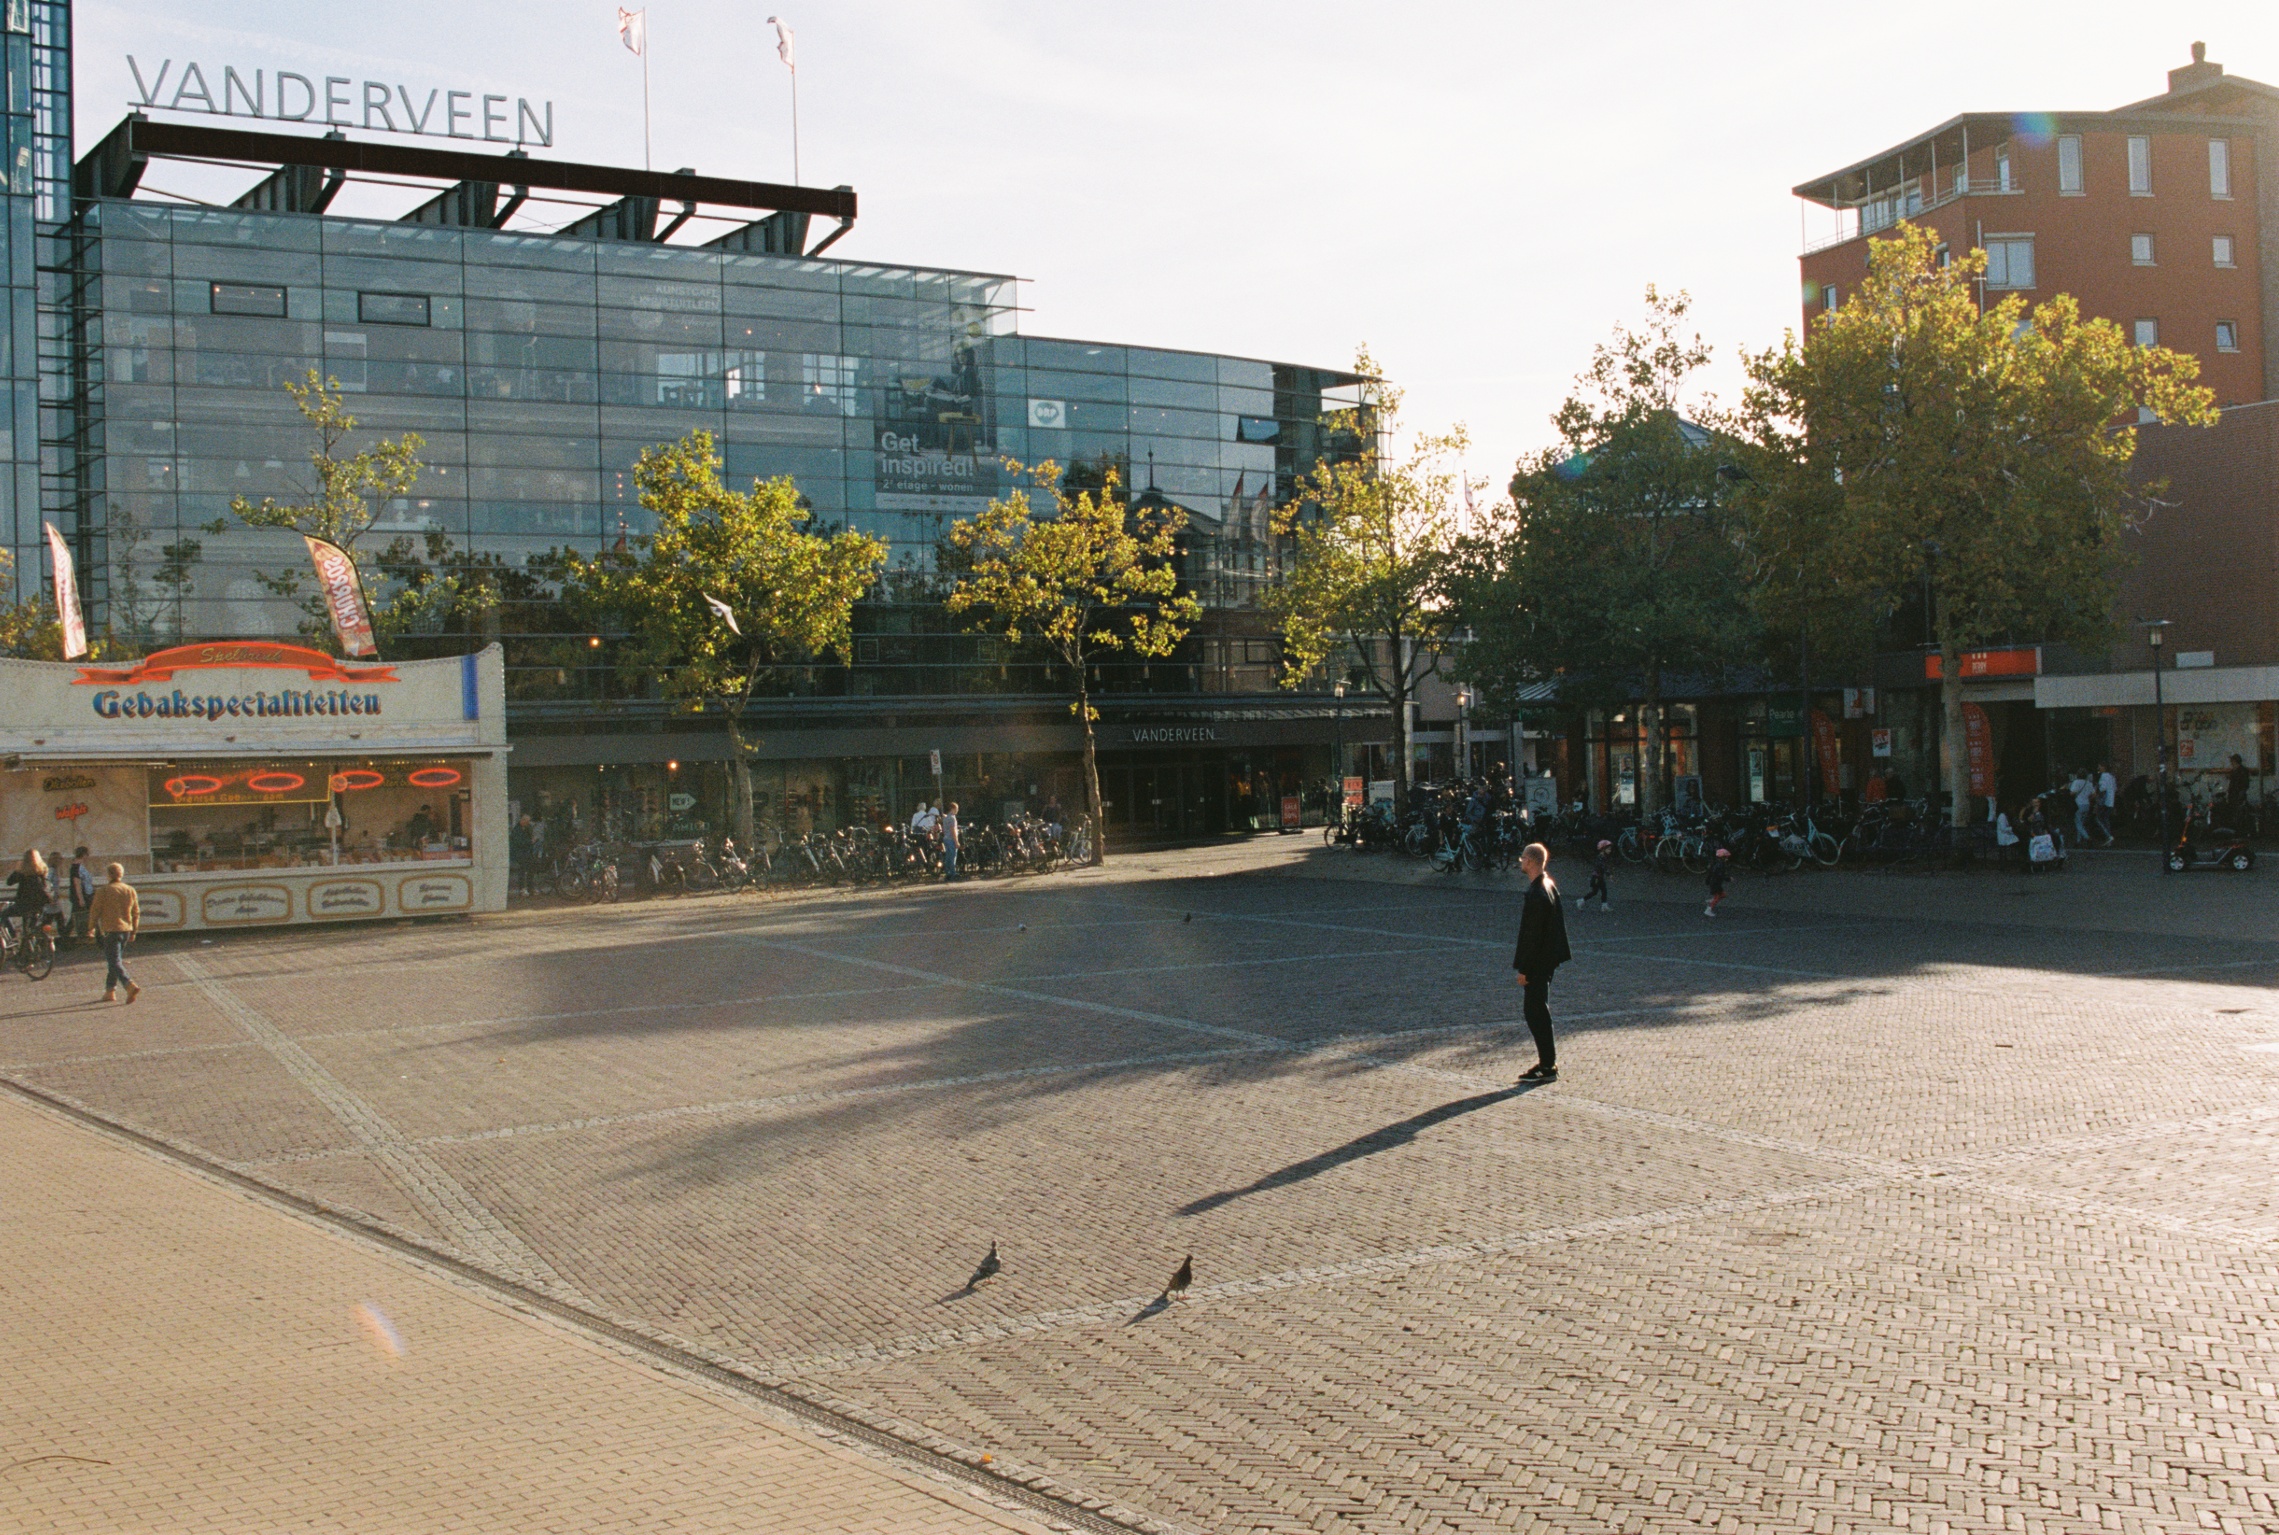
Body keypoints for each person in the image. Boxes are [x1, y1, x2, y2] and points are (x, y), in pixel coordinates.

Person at [1511, 842, 1570, 1084]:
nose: (1521, 861)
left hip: (1538, 961)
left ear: (1532, 861)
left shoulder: (1537, 893)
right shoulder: (1548, 886)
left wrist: (1524, 969)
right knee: (1537, 1010)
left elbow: (1532, 935)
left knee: (1535, 1011)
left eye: (1523, 858)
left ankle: (1547, 1064)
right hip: (1547, 958)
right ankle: (1547, 1061)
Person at [88, 861, 139, 1004]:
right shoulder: (130, 890)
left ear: (109, 875)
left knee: (114, 961)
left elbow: (95, 910)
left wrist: (91, 927)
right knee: (114, 961)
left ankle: (129, 984)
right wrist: (134, 930)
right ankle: (110, 991)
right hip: (126, 930)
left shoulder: (103, 891)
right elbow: (136, 912)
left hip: (111, 930)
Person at [4, 850, 49, 944]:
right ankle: (33, 950)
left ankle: (13, 935)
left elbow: (9, 882)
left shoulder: (23, 872)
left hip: (23, 905)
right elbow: (45, 886)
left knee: (3, 915)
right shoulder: (42, 870)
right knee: (30, 929)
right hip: (38, 905)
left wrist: (17, 869)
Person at [65, 845, 96, 947]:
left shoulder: (78, 866)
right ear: (84, 855)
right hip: (83, 896)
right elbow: (77, 883)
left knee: (78, 917)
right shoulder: (76, 867)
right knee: (77, 917)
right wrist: (80, 898)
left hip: (86, 894)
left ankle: (66, 938)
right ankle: (66, 938)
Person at [1583, 839, 1613, 912]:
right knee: (1598, 891)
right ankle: (1581, 901)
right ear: (1603, 849)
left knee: (1600, 891)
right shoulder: (1601, 858)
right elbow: (1603, 867)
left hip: (1598, 877)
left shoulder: (1602, 857)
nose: (1610, 851)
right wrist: (1609, 874)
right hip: (1597, 878)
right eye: (1608, 849)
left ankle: (1604, 905)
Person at [509, 814, 535, 895]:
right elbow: (518, 842)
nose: (528, 823)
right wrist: (530, 842)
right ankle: (522, 888)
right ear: (522, 821)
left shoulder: (527, 828)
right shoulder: (516, 830)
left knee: (530, 869)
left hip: (527, 852)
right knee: (522, 870)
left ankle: (530, 887)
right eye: (527, 822)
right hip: (520, 852)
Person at [1704, 847, 1732, 917]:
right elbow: (1721, 875)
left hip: (1715, 883)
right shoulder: (1720, 865)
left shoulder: (1715, 864)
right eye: (1726, 857)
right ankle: (1709, 909)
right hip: (1716, 884)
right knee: (1718, 896)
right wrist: (1728, 879)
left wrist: (1707, 881)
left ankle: (1712, 901)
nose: (1727, 859)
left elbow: (1710, 873)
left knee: (1723, 895)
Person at [2072, 770, 2097, 845]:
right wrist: (2088, 798)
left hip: (2078, 804)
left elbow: (2072, 793)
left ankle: (2087, 837)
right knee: (2081, 823)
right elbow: (2094, 794)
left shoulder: (2076, 782)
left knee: (2078, 823)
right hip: (2087, 804)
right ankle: (2078, 841)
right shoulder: (2088, 783)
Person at [2096, 763, 2118, 845]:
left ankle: (2108, 836)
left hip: (2105, 801)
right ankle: (2108, 838)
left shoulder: (2103, 776)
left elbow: (2102, 789)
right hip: (2111, 801)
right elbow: (2115, 789)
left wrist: (2098, 798)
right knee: (2106, 819)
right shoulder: (2112, 776)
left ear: (2103, 767)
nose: (2098, 767)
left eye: (2100, 766)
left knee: (2099, 819)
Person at [940, 801, 961, 881]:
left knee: (948, 856)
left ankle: (948, 872)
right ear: (953, 809)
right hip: (951, 839)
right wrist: (956, 841)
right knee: (953, 857)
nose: (957, 810)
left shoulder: (946, 818)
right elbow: (953, 830)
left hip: (946, 838)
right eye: (956, 809)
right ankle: (953, 873)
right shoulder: (952, 818)